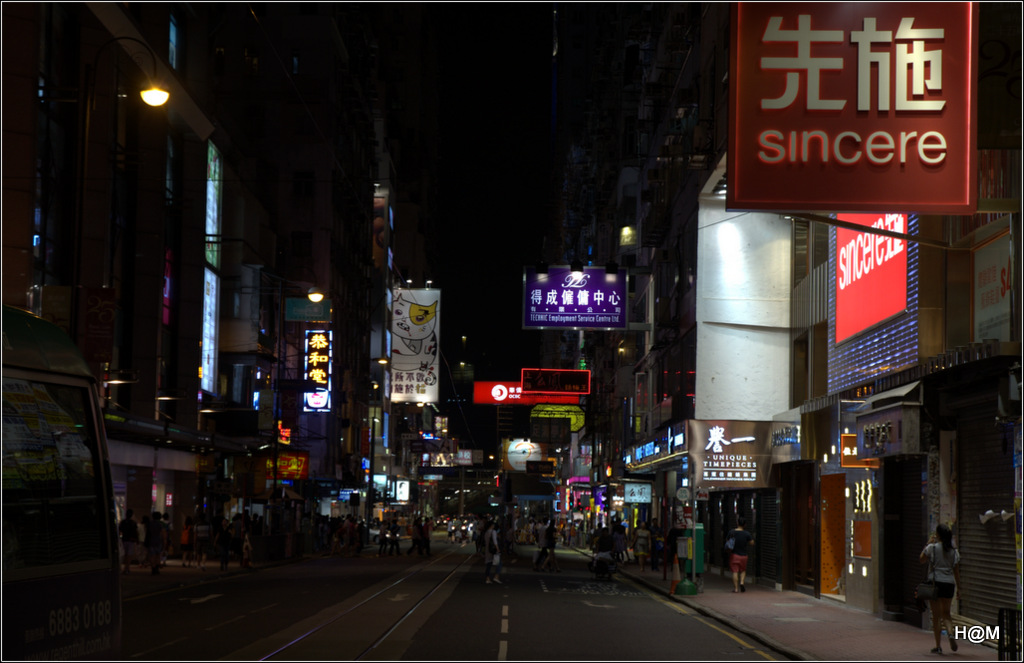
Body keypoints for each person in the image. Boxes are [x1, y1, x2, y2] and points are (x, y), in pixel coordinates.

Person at [920, 524, 961, 654]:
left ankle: (938, 646)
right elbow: (956, 571)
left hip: (936, 584)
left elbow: (921, 559)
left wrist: (928, 543)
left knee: (936, 616)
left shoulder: (932, 548)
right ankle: (950, 633)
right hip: (949, 584)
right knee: (946, 614)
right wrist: (959, 588)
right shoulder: (954, 552)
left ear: (938, 535)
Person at [726, 516, 755, 593]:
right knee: (743, 570)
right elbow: (752, 543)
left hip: (734, 555)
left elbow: (727, 541)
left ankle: (736, 588)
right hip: (744, 555)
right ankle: (742, 583)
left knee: (735, 571)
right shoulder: (747, 534)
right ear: (745, 524)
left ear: (737, 523)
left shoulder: (732, 532)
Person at [118, 509, 139, 574]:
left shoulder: (123, 522)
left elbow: (120, 531)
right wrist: (136, 539)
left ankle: (124, 568)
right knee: (129, 555)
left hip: (124, 539)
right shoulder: (133, 523)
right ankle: (127, 568)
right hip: (131, 540)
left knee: (124, 554)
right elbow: (136, 532)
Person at [483, 520, 503, 584]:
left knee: (489, 564)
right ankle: (496, 576)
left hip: (488, 550)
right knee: (499, 563)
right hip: (493, 550)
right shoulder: (493, 532)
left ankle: (487, 578)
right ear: (491, 525)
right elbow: (495, 541)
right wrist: (497, 548)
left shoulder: (486, 532)